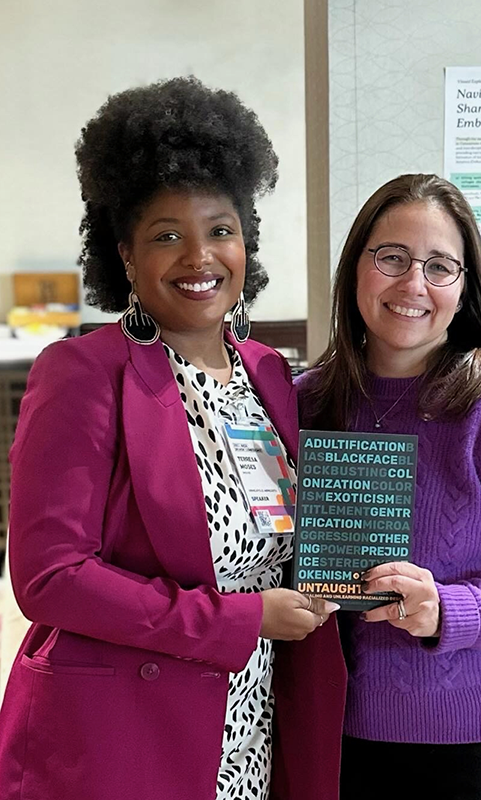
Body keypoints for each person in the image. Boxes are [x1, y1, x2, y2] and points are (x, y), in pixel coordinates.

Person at [0, 77, 345, 800]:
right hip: (125, 734)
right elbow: (50, 577)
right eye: (167, 236)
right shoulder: (82, 374)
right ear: (125, 255)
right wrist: (239, 619)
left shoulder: (267, 374)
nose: (200, 257)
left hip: (249, 720)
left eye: (220, 230)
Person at [297, 174, 481, 800]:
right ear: (356, 268)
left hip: (472, 736)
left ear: (464, 288)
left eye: (439, 266)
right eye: (392, 258)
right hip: (324, 728)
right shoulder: (305, 402)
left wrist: (445, 609)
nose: (413, 285)